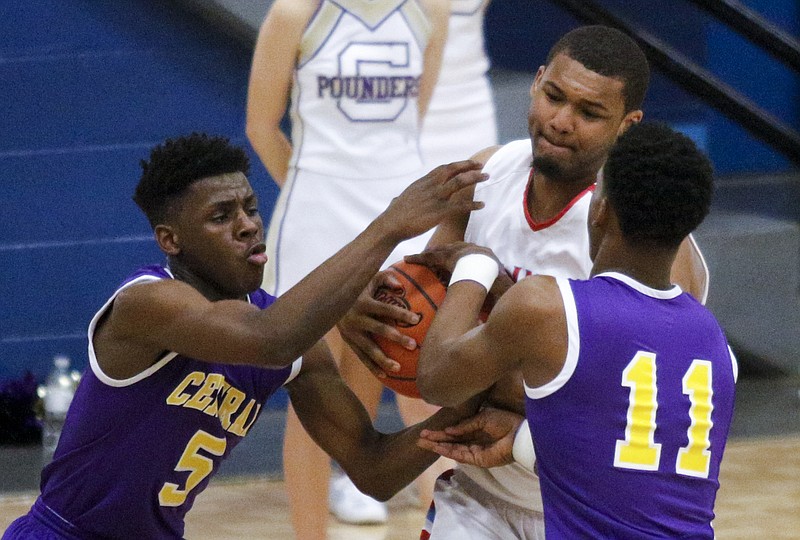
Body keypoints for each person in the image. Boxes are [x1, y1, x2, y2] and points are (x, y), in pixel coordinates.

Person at [1, 133, 488, 539]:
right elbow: (270, 338)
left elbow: (374, 469)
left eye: (250, 208)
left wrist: (476, 397)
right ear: (171, 239)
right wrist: (390, 227)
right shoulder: (146, 303)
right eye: (221, 216)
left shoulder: (291, 344)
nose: (248, 225)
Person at [338, 25, 709, 539]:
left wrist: (516, 416)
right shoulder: (487, 175)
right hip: (478, 494)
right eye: (554, 96)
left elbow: (650, 414)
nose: (561, 121)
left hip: (583, 507)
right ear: (536, 82)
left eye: (589, 112)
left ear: (628, 124)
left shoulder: (641, 236)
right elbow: (424, 300)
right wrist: (368, 307)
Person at [416, 122, 737, 538]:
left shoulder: (551, 307)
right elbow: (633, 471)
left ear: (600, 209)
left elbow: (437, 380)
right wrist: (518, 441)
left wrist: (475, 267)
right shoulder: (718, 350)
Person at [245, 0, 451, 533]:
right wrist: (312, 183)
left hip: (400, 201)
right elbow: (261, 126)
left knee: (415, 380)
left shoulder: (433, 9)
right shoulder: (294, 13)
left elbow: (414, 120)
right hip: (318, 208)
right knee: (315, 388)